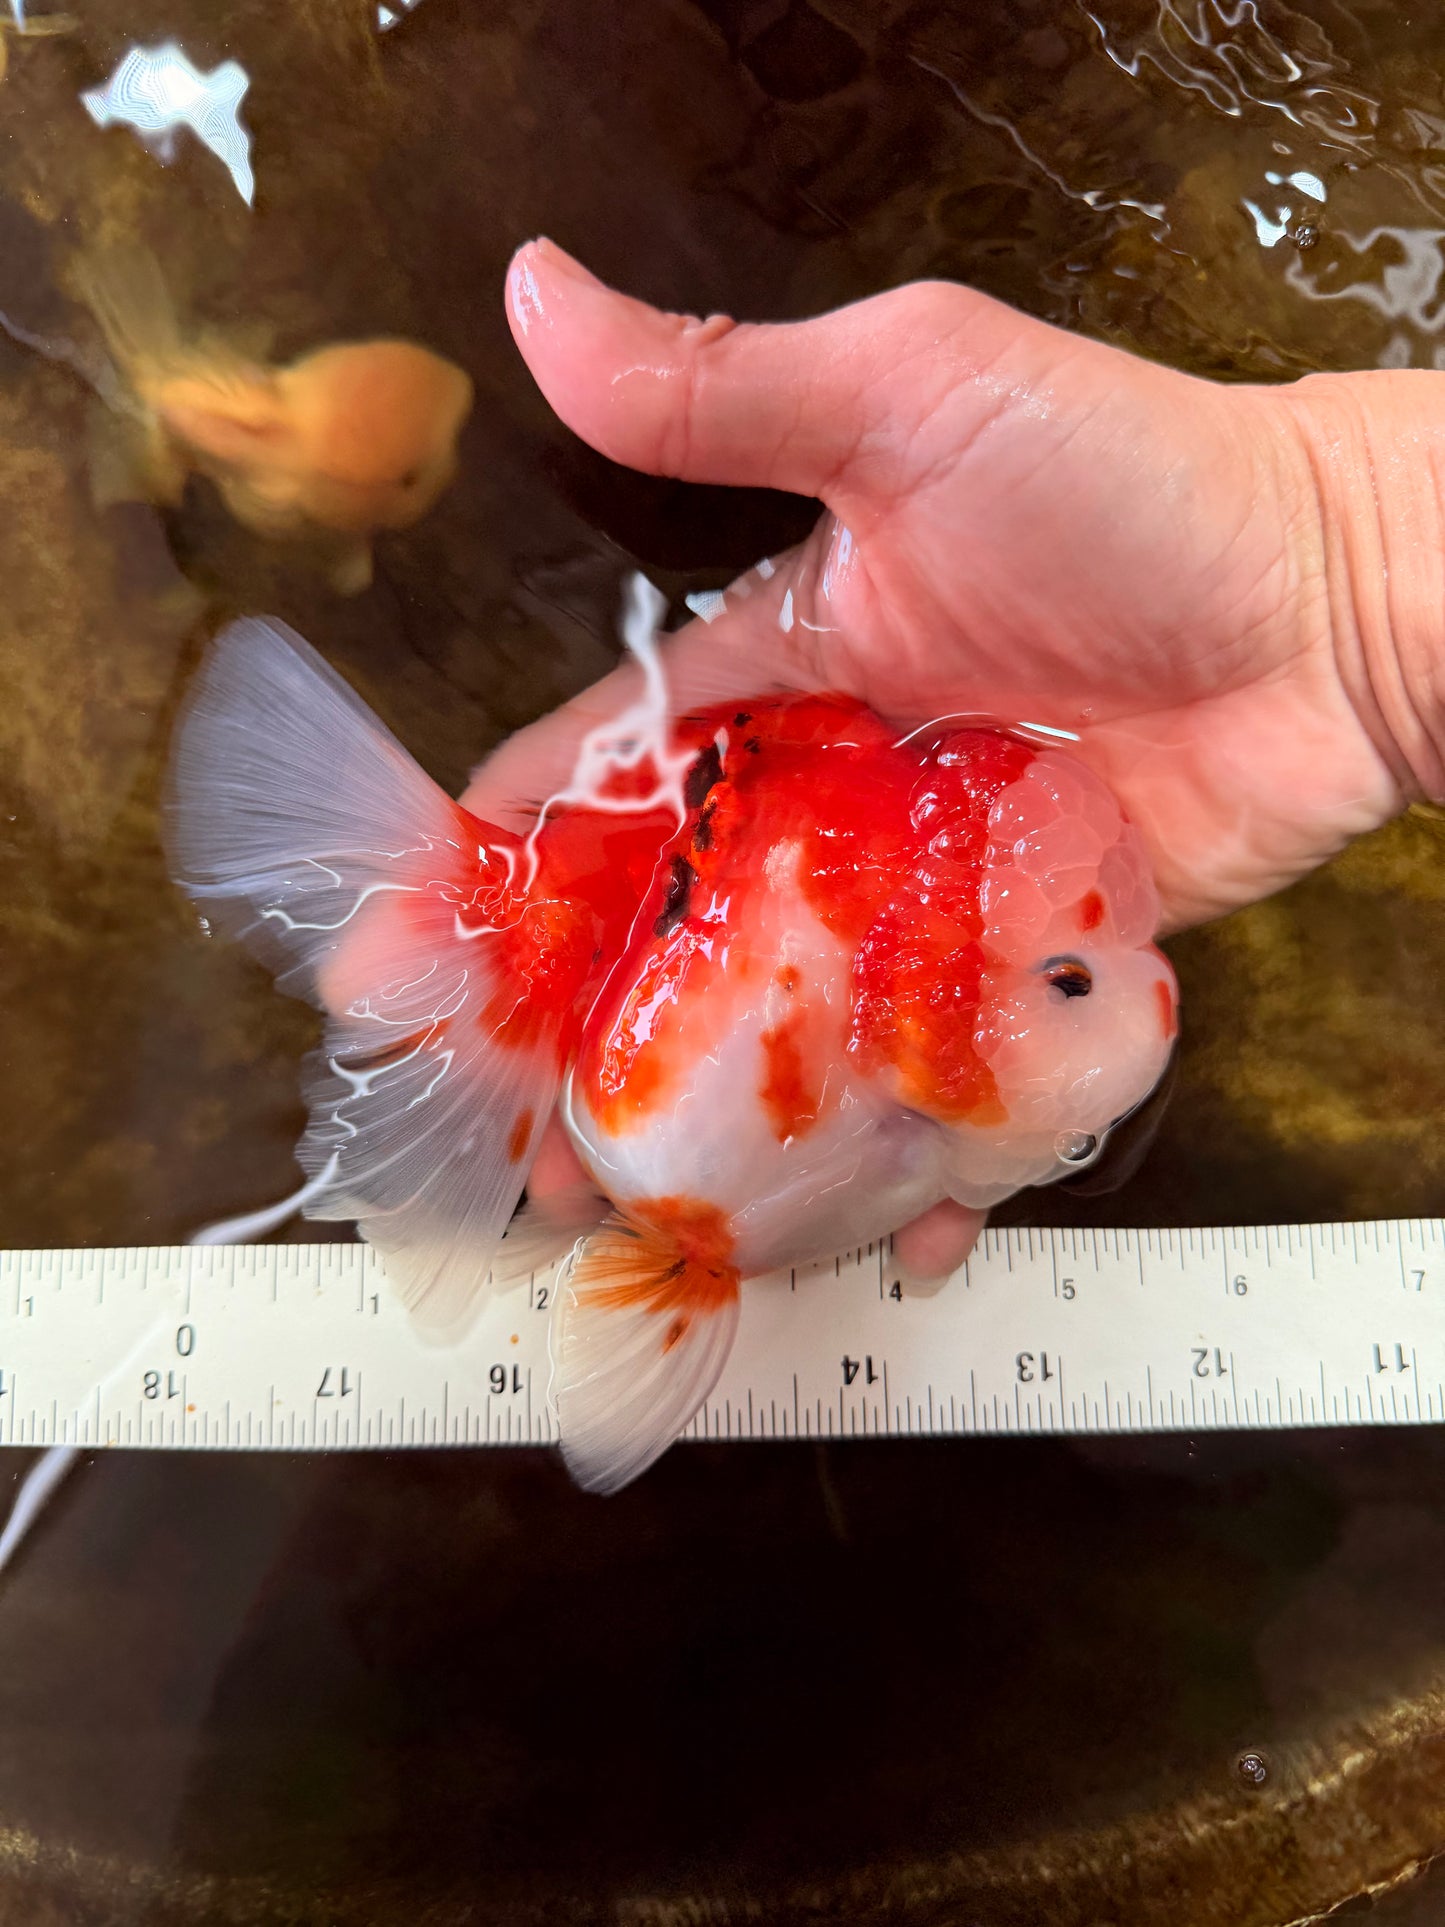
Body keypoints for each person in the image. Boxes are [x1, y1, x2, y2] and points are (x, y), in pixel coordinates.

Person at [468, 237, 1443, 1277]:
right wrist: (1346, 569)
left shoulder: (919, 1030)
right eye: (1062, 979)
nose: (1156, 983)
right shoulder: (911, 1032)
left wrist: (1345, 567)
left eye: (1071, 972)